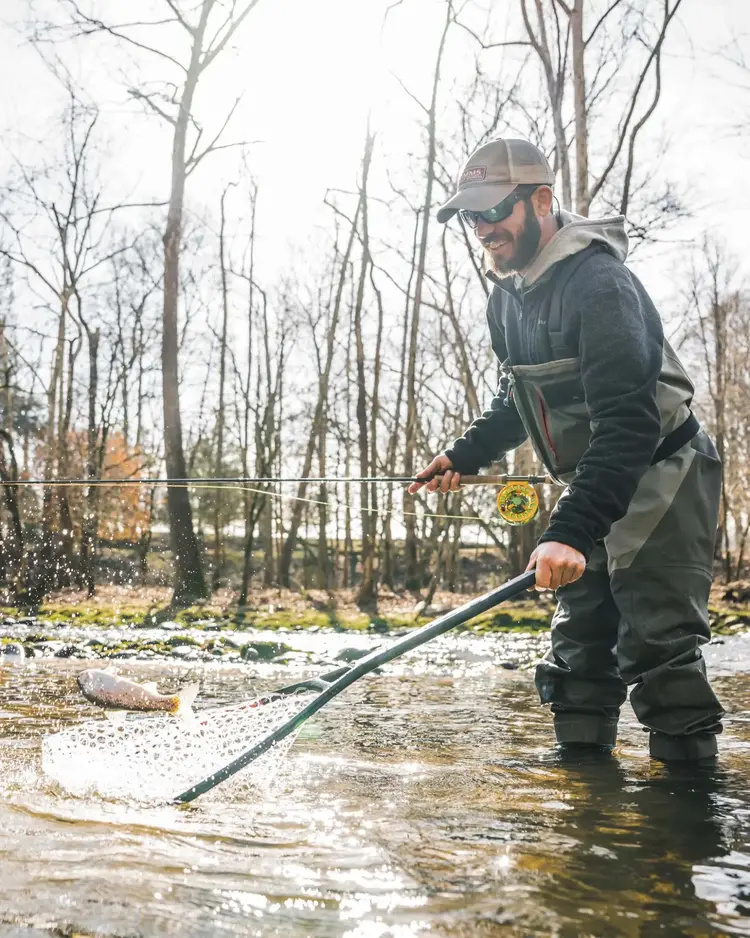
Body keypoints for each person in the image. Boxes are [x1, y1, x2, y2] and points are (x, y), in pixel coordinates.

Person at [410, 137, 724, 762]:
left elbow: (630, 422)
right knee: (578, 651)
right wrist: (465, 455)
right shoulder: (507, 296)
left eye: (493, 210)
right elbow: (517, 397)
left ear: (542, 199)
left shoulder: (600, 284)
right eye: (470, 216)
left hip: (663, 472)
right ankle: (584, 817)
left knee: (659, 651)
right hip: (597, 480)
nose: (482, 229)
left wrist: (571, 531)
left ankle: (685, 824)